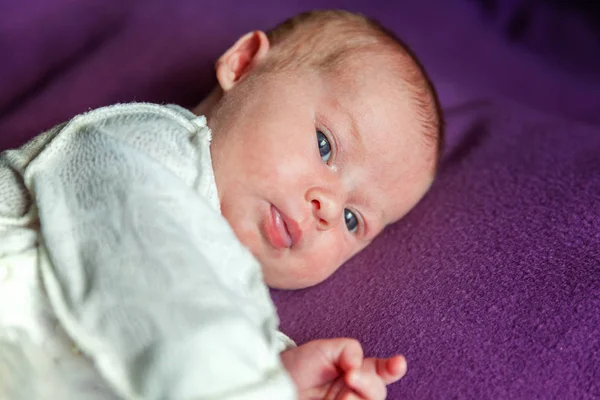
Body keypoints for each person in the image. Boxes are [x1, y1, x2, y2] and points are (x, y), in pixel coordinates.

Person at [0, 9, 442, 400]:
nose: (327, 208)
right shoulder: (143, 145)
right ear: (244, 64)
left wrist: (284, 378)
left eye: (353, 219)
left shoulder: (236, 300)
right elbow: (158, 287)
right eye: (324, 146)